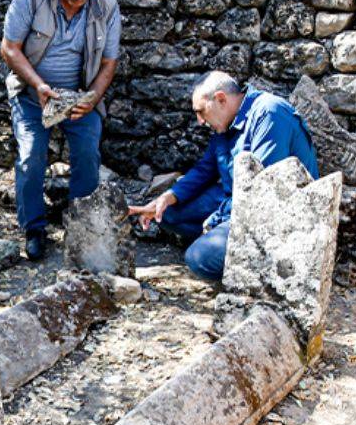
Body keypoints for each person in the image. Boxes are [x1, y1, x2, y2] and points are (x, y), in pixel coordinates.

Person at [127, 70, 319, 281]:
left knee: (198, 258)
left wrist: (216, 220)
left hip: (273, 213)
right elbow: (205, 169)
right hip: (234, 201)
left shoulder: (269, 113)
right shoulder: (225, 123)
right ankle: (223, 241)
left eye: (200, 111)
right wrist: (167, 197)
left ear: (220, 99)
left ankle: (258, 263)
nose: (199, 121)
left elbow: (261, 192)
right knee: (166, 213)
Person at [0, 0, 121, 261]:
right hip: (31, 93)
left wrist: (92, 97)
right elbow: (10, 48)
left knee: (87, 151)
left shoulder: (106, 6)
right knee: (31, 155)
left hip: (81, 95)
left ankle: (81, 227)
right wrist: (38, 85)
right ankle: (34, 229)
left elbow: (109, 64)